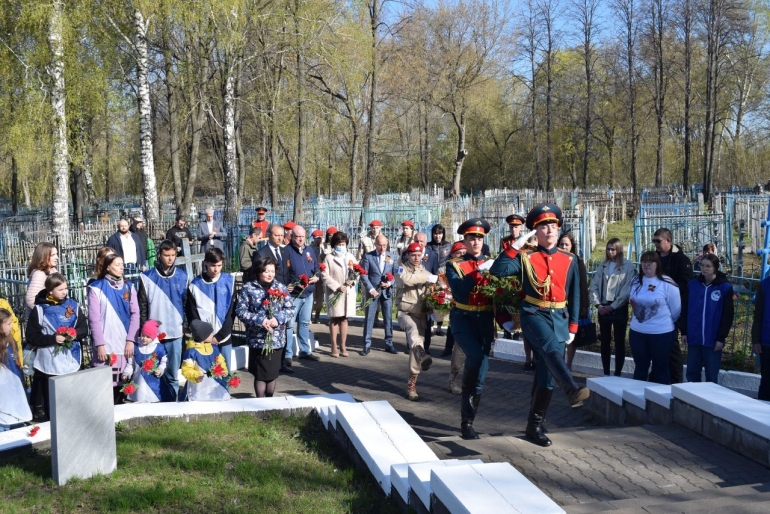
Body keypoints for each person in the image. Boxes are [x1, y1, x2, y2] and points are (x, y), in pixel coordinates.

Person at [489, 204, 590, 448]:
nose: (550, 230)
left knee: (546, 377)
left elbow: (575, 294)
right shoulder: (526, 258)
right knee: (550, 349)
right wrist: (516, 245)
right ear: (536, 231)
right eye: (543, 226)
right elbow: (497, 271)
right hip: (534, 314)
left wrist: (573, 325)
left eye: (553, 225)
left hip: (560, 318)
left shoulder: (570, 259)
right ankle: (571, 388)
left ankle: (534, 425)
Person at [446, 218, 496, 439]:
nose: (476, 242)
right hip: (463, 319)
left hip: (484, 320)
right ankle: (466, 422)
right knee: (474, 357)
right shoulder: (454, 265)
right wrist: (478, 272)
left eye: (479, 238)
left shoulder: (492, 263)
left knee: (480, 376)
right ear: (464, 241)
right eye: (471, 238)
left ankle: (468, 422)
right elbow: (459, 291)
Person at [26, 273, 88, 420]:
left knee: (72, 401)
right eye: (60, 289)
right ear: (50, 291)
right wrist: (52, 339)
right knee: (53, 404)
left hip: (72, 360)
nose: (64, 292)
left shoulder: (74, 306)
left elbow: (84, 329)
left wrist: (74, 334)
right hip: (49, 364)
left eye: (66, 288)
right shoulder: (39, 309)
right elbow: (31, 336)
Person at [236, 256, 296, 398]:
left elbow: (290, 308)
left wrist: (278, 319)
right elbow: (240, 311)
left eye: (272, 271)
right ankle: (260, 402)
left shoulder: (280, 287)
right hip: (257, 339)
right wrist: (260, 320)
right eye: (266, 271)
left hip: (275, 339)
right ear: (259, 271)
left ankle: (270, 400)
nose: (270, 274)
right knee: (261, 375)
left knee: (272, 374)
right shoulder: (248, 288)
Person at [139, 239, 188, 402]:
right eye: (166, 255)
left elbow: (186, 303)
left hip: (175, 333)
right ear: (159, 255)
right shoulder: (147, 277)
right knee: (154, 373)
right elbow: (142, 306)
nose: (170, 258)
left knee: (172, 375)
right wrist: (144, 331)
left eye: (173, 255)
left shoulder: (183, 276)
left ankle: (173, 406)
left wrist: (185, 326)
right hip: (154, 336)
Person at [88, 253, 140, 403]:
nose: (121, 267)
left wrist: (131, 340)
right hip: (106, 345)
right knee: (105, 388)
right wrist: (100, 345)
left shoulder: (130, 287)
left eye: (122, 264)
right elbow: (94, 319)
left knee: (123, 385)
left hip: (124, 344)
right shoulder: (96, 288)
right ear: (108, 267)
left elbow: (135, 314)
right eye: (117, 265)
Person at [628, 251, 681, 385]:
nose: (646, 265)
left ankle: (660, 397)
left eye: (650, 262)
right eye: (644, 262)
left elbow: (675, 310)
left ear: (657, 264)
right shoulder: (635, 281)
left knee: (660, 369)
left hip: (661, 334)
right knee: (640, 368)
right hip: (638, 333)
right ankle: (636, 395)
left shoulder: (667, 283)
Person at [680, 253, 734, 383]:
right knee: (692, 373)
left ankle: (710, 395)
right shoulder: (692, 285)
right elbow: (685, 309)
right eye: (702, 265)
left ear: (715, 268)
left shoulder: (724, 288)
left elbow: (727, 315)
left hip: (712, 338)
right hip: (694, 336)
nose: (704, 269)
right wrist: (684, 331)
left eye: (708, 266)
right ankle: (692, 395)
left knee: (711, 375)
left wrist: (721, 338)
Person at [396, 242, 437, 400]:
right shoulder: (401, 268)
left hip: (421, 315)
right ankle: (421, 351)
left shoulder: (424, 271)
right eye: (413, 255)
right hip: (405, 313)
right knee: (412, 330)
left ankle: (411, 385)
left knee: (416, 352)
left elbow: (432, 290)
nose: (416, 258)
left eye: (419, 255)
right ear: (407, 255)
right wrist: (428, 278)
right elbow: (405, 280)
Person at [588, 238, 634, 377]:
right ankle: (606, 372)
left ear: (618, 250)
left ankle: (618, 373)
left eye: (613, 249)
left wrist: (613, 306)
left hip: (618, 307)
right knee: (605, 341)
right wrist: (598, 305)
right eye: (608, 249)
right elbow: (594, 285)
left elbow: (627, 289)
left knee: (619, 342)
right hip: (603, 306)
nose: (610, 252)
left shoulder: (628, 266)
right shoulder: (603, 265)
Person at [653, 228, 693, 384]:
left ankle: (676, 380)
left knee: (671, 345)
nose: (655, 244)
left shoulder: (681, 260)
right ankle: (658, 376)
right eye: (654, 241)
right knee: (657, 345)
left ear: (668, 241)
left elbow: (686, 283)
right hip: (656, 308)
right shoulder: (654, 257)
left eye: (658, 241)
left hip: (673, 308)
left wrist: (667, 290)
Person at [187, 248, 236, 372]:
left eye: (219, 265)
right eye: (213, 265)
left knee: (225, 372)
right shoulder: (195, 285)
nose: (216, 269)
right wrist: (203, 335)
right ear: (206, 263)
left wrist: (220, 336)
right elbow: (192, 314)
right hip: (204, 339)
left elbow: (232, 312)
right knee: (206, 373)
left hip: (224, 337)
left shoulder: (229, 281)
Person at [255, 224, 293, 373]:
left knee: (282, 329)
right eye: (277, 235)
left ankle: (281, 362)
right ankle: (269, 362)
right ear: (269, 235)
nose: (280, 238)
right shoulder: (261, 253)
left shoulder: (285, 251)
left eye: (282, 235)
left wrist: (289, 285)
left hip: (283, 296)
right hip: (268, 297)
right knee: (270, 330)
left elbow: (287, 271)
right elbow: (256, 276)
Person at [284, 225, 321, 361]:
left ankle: (304, 351)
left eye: (302, 237)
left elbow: (316, 267)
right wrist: (289, 285)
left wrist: (317, 277)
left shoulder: (309, 250)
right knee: (289, 325)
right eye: (297, 237)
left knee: (304, 323)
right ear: (291, 237)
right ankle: (287, 354)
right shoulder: (286, 251)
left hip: (308, 294)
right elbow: (283, 272)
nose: (300, 239)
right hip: (294, 295)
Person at [321, 231, 358, 357]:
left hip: (347, 292)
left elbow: (357, 272)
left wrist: (353, 281)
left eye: (343, 244)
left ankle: (343, 345)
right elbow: (324, 275)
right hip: (335, 292)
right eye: (338, 244)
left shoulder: (350, 256)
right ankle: (333, 345)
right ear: (334, 244)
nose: (341, 246)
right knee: (335, 318)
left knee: (344, 318)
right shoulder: (328, 258)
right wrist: (337, 286)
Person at [360, 234, 398, 356]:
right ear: (375, 244)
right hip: (372, 292)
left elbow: (396, 274)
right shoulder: (368, 256)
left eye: (385, 245)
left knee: (388, 318)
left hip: (387, 292)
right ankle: (366, 345)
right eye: (380, 245)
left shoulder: (391, 256)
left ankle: (389, 343)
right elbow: (363, 274)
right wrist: (370, 289)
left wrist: (390, 283)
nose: (382, 248)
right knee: (369, 318)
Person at [559, 233, 590, 371]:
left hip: (573, 303)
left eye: (566, 244)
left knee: (571, 336)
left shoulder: (577, 261)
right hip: (558, 304)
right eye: (561, 244)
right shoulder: (554, 259)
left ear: (572, 246)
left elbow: (583, 284)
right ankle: (559, 363)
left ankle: (568, 364)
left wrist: (585, 305)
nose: (564, 246)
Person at [180, 320, 231, 401]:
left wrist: (224, 370)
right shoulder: (191, 352)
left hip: (215, 386)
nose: (213, 335)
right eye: (210, 333)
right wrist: (196, 375)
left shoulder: (214, 348)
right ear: (203, 336)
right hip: (197, 389)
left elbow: (221, 361)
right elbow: (186, 370)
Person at [121, 319, 168, 403]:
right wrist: (126, 374)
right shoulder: (135, 347)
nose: (144, 338)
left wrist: (160, 370)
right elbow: (130, 364)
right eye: (143, 335)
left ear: (153, 337)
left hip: (154, 387)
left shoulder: (159, 348)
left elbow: (164, 363)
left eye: (148, 336)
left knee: (154, 406)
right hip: (138, 385)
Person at [0, 308, 31, 431]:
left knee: (16, 421)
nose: (11, 326)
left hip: (13, 388)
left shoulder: (10, 340)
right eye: (8, 324)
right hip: (3, 393)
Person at [440, 241, 466, 357]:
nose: (461, 255)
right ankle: (448, 347)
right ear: (452, 254)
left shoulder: (468, 266)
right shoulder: (445, 268)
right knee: (452, 325)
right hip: (451, 299)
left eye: (464, 253)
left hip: (465, 301)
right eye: (458, 253)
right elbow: (440, 283)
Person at [427, 224, 452, 337]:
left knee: (442, 299)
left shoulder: (448, 246)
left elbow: (450, 260)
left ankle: (439, 327)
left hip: (443, 276)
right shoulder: (429, 246)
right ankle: (430, 326)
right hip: (431, 275)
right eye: (435, 233)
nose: (437, 236)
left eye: (440, 233)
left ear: (443, 234)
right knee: (431, 299)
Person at [25, 242, 59, 318]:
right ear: (43, 256)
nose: (57, 257)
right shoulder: (39, 274)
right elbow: (31, 299)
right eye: (53, 255)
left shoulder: (53, 270)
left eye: (56, 254)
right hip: (41, 321)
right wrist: (47, 312)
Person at [310, 229, 325, 323]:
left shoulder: (324, 247)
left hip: (322, 274)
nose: (317, 240)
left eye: (319, 238)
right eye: (316, 238)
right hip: (312, 274)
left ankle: (317, 316)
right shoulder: (309, 248)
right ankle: (309, 316)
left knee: (320, 298)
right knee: (311, 297)